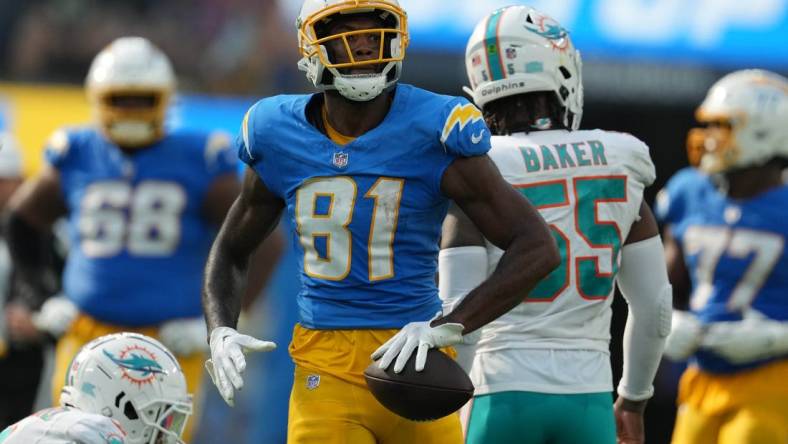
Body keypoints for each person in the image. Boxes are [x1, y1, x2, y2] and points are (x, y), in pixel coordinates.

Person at [201, 0, 560, 443]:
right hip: (323, 365)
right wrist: (220, 329)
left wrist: (451, 323)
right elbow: (232, 249)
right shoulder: (276, 132)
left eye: (373, 37)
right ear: (314, 47)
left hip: (412, 356)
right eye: (348, 39)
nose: (363, 50)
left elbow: (537, 246)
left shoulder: (434, 127)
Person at [445, 6, 672, 444]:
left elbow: (458, 314)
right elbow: (654, 307)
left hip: (498, 395)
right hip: (586, 400)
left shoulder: (480, 166)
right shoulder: (619, 160)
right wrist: (634, 397)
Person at [5, 36, 240, 440]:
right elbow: (21, 220)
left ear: (164, 98)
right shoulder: (78, 150)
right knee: (73, 435)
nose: (130, 110)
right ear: (98, 98)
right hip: (87, 332)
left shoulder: (201, 156)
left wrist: (220, 322)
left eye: (142, 99)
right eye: (120, 98)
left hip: (169, 340)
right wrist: (40, 296)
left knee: (161, 437)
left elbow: (253, 238)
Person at [658, 69, 788, 444]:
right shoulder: (689, 191)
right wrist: (669, 322)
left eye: (723, 125)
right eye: (709, 125)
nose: (708, 137)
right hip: (701, 377)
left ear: (766, 131)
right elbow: (664, 285)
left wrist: (776, 338)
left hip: (773, 379)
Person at [0, 332, 193, 443]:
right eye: (163, 418)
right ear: (125, 406)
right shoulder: (84, 435)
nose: (166, 434)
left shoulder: (56, 426)